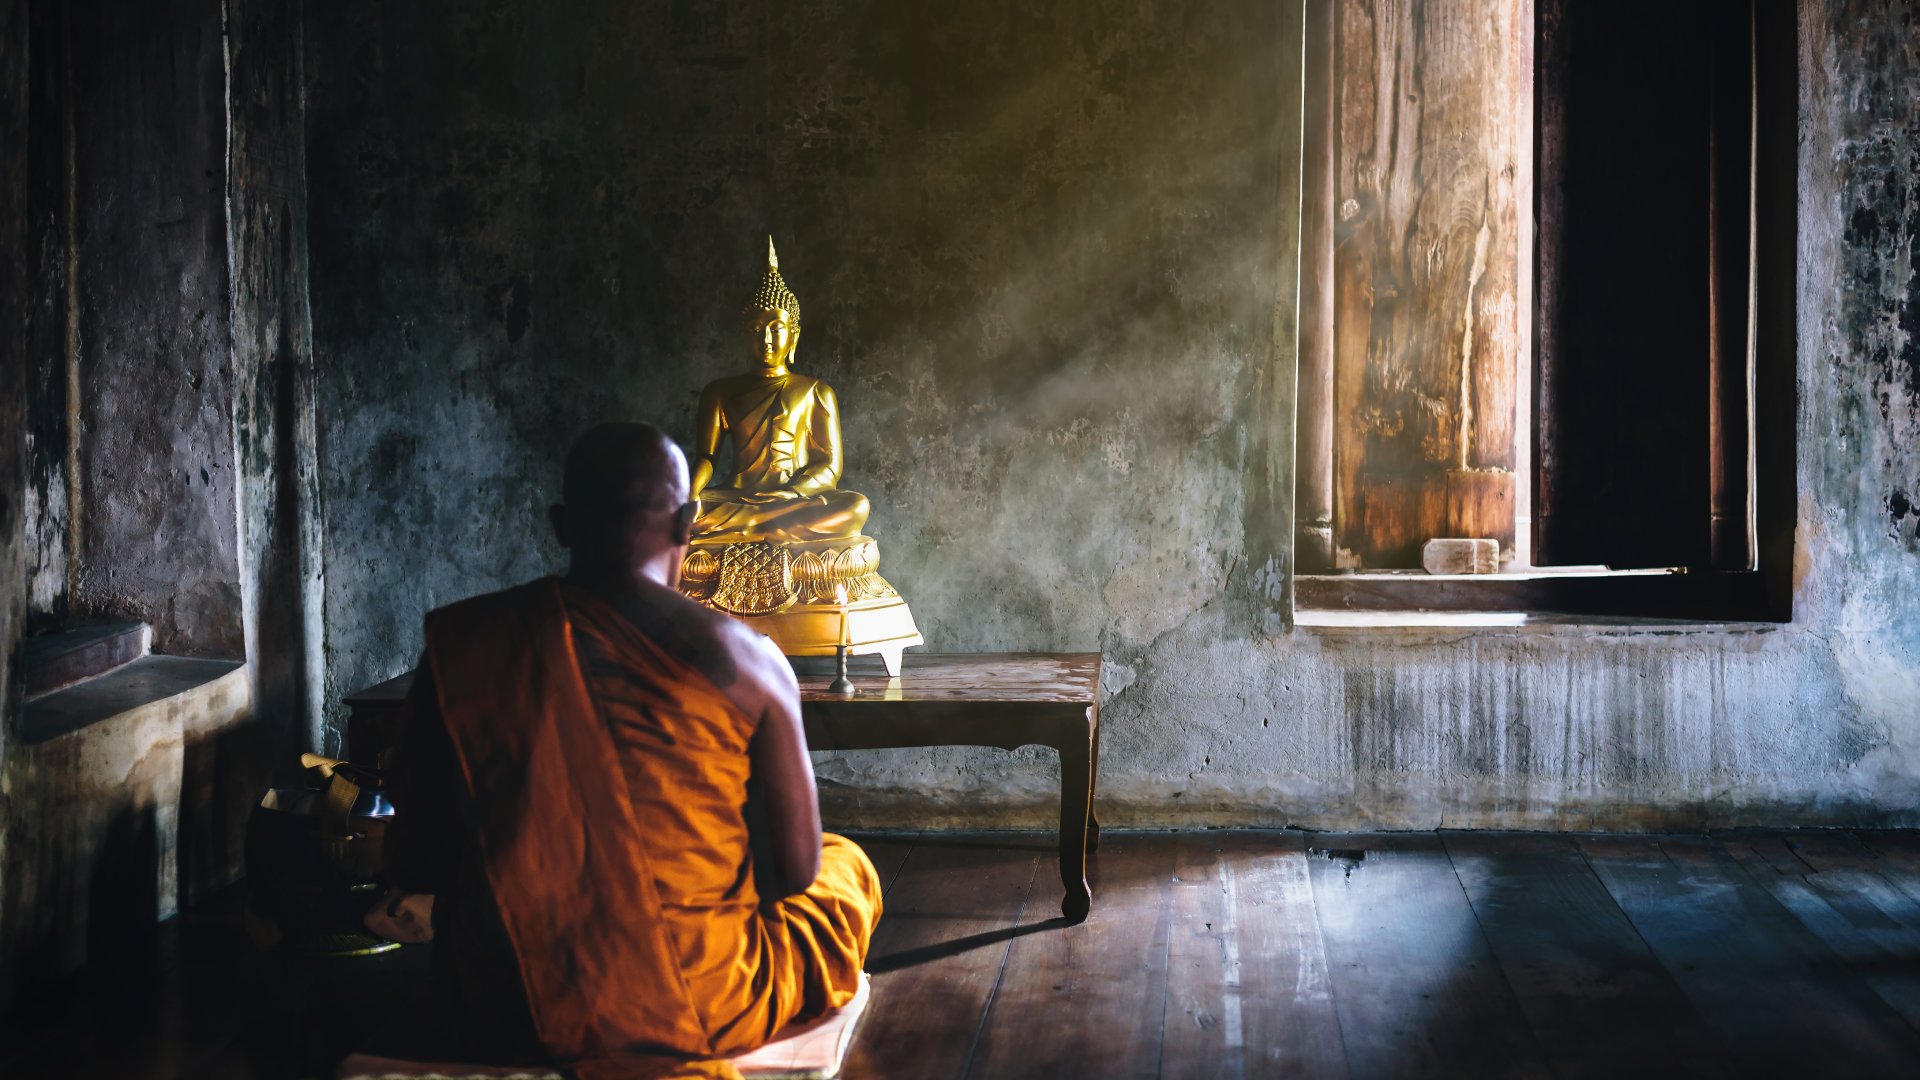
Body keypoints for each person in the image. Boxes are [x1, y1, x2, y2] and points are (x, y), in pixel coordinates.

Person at [384, 421, 882, 1080]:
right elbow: (793, 873)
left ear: (561, 524)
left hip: (506, 1002)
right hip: (698, 998)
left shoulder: (474, 644)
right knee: (844, 867)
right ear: (688, 525)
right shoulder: (749, 661)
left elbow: (417, 859)